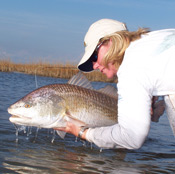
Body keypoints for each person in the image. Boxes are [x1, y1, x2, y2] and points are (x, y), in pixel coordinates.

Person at [55, 18, 175, 149]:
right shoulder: (153, 39)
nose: (94, 65)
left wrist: (83, 132)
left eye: (94, 56)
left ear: (110, 41)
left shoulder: (130, 66)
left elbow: (132, 137)